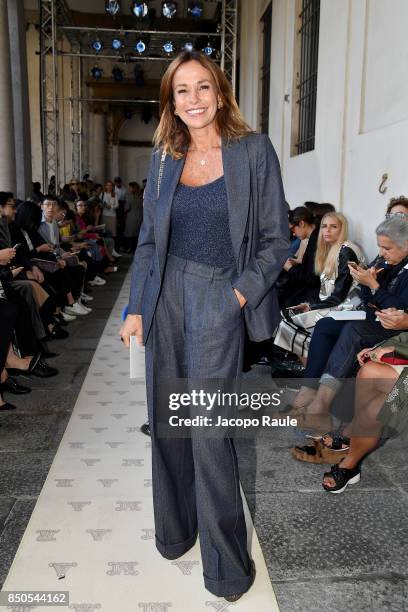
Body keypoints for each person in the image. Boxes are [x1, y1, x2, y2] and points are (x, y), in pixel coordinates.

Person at [120, 50, 289, 601]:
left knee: (210, 431)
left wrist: (238, 294)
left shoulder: (253, 149)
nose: (193, 100)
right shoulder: (166, 156)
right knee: (167, 420)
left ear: (220, 91)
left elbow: (274, 238)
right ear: (171, 101)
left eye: (202, 87)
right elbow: (148, 241)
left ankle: (226, 567)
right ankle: (176, 532)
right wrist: (136, 308)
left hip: (220, 294)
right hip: (166, 293)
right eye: (181, 91)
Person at [289, 216, 408, 431]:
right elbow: (367, 297)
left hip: (393, 329)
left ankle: (321, 405)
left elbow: (400, 309)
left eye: (386, 248)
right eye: (380, 246)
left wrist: (374, 287)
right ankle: (308, 390)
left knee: (354, 330)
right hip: (373, 316)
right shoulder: (387, 261)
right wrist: (368, 283)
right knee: (326, 325)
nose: (381, 253)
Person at [123, 182, 143, 253]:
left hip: (131, 218)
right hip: (140, 217)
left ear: (132, 188)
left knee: (129, 234)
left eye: (130, 187)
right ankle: (135, 249)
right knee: (137, 234)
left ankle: (130, 248)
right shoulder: (141, 196)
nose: (129, 189)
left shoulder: (129, 196)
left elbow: (126, 208)